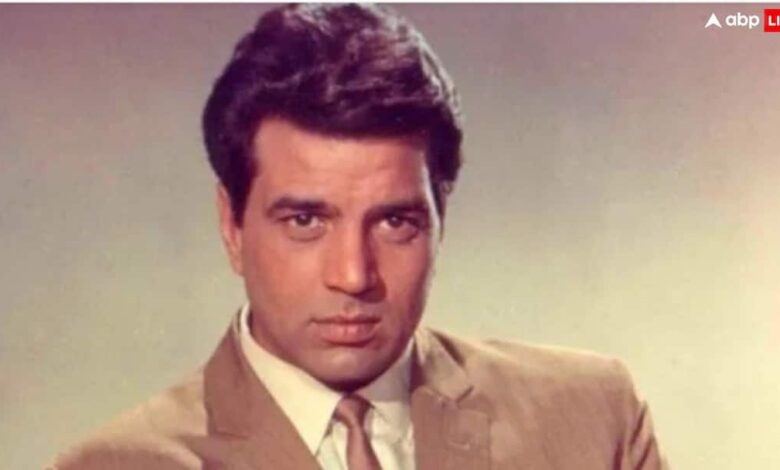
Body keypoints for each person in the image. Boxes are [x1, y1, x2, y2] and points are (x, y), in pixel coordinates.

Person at [51, 4, 666, 469]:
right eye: (305, 222)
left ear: (441, 220)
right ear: (231, 226)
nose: (353, 275)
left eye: (395, 222)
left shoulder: (593, 420)